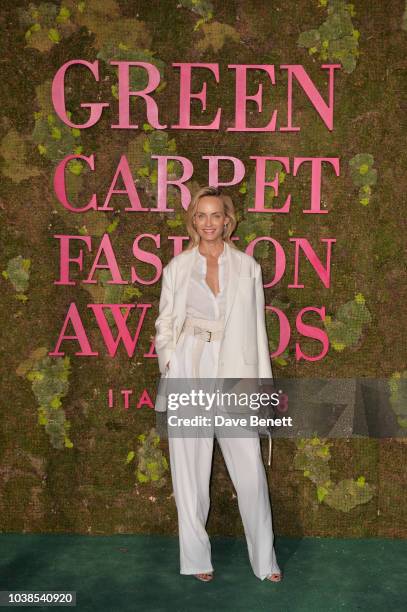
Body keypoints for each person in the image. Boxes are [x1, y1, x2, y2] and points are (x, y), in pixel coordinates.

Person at [154, 186, 282, 583]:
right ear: (194, 221)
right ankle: (196, 559)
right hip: (190, 364)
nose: (209, 223)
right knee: (189, 469)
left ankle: (266, 561)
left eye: (216, 215)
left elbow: (257, 330)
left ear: (228, 221)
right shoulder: (177, 267)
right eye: (201, 215)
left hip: (233, 367)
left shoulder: (248, 267)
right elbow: (166, 321)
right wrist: (171, 362)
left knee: (250, 469)